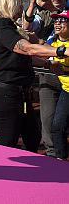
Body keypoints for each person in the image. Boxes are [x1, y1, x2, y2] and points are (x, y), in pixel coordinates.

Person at [0, 0, 64, 151]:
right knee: (8, 141)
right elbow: (28, 49)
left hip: (21, 93)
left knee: (32, 136)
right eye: (19, 3)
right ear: (11, 4)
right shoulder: (4, 30)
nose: (21, 7)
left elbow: (24, 57)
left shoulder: (12, 29)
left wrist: (48, 64)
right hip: (8, 94)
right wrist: (60, 51)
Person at [48, 10, 69, 159]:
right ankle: (61, 159)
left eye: (62, 21)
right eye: (56, 21)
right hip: (66, 90)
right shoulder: (52, 44)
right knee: (57, 127)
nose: (58, 24)